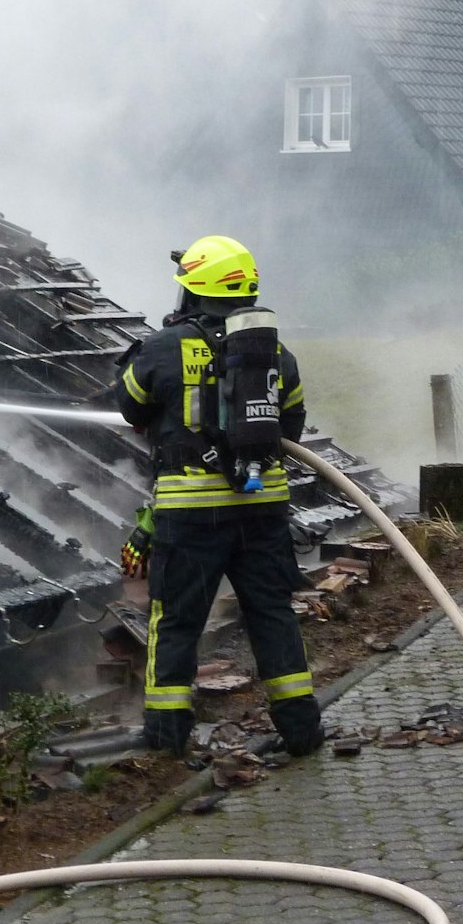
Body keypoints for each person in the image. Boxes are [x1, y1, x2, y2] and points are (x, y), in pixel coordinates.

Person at [113, 236, 323, 755]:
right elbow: (291, 423)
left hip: (191, 512)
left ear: (193, 288)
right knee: (271, 614)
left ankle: (165, 738)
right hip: (262, 507)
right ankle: (301, 732)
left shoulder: (164, 348)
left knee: (177, 619)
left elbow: (129, 404)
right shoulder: (273, 350)